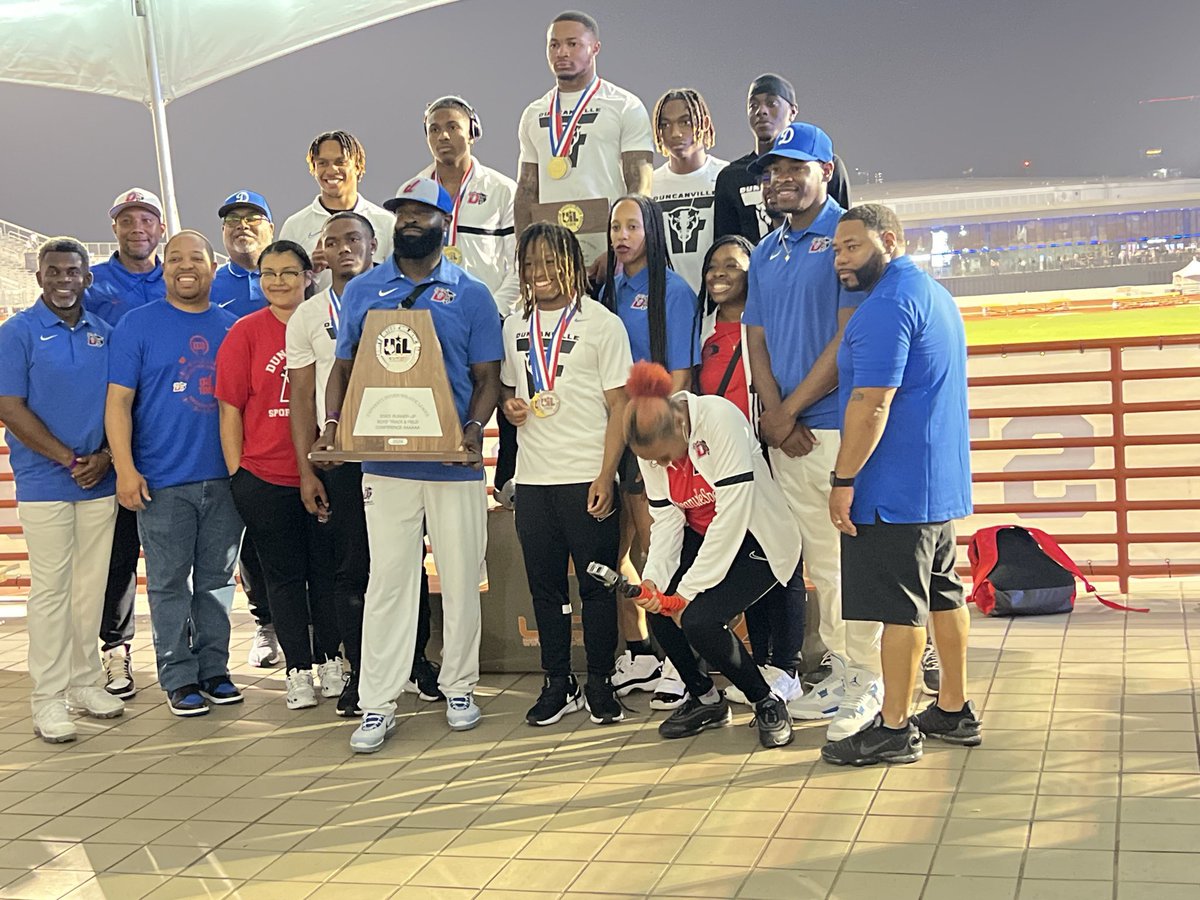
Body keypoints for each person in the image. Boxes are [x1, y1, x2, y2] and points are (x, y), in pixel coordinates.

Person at [314, 177, 502, 752]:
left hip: (452, 465)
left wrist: (472, 431)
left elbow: (488, 377)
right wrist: (330, 428)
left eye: (423, 212)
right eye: (403, 212)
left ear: (445, 221)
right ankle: (378, 701)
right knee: (389, 583)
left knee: (463, 578)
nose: (411, 220)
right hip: (386, 466)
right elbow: (343, 370)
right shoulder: (364, 289)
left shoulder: (471, 293)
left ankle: (460, 687)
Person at [822, 203, 980, 766]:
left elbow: (871, 403)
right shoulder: (935, 296)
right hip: (935, 483)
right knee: (942, 593)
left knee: (900, 609)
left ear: (888, 240)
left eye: (853, 246)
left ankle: (893, 727)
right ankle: (953, 708)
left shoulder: (885, 308)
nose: (841, 258)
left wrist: (843, 479)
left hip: (892, 487)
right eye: (837, 248)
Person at [743, 124, 883, 741]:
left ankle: (871, 681)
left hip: (830, 429)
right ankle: (843, 667)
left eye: (796, 168)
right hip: (787, 435)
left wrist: (792, 411)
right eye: (774, 171)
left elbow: (845, 340)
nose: (782, 180)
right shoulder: (769, 249)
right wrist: (774, 415)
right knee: (820, 565)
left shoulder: (845, 239)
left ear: (826, 168)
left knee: (850, 561)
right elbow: (757, 336)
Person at [288, 212, 443, 718]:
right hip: (345, 455)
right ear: (322, 253)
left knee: (404, 563)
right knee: (353, 567)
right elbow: (301, 398)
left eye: (354, 238)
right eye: (332, 242)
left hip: (401, 447)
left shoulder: (394, 295)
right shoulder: (308, 316)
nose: (344, 248)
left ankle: (418, 662)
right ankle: (361, 671)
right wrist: (309, 468)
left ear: (374, 244)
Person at [623, 361, 799, 749]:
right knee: (660, 612)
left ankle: (767, 702)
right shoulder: (651, 446)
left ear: (682, 427)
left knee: (700, 620)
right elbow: (666, 520)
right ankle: (706, 699)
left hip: (757, 539)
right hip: (704, 539)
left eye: (667, 457)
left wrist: (687, 591)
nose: (664, 465)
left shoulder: (719, 417)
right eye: (655, 462)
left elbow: (733, 514)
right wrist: (655, 579)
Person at [105, 231, 244, 717]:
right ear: (165, 268)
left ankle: (214, 668)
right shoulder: (136, 326)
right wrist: (125, 469)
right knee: (168, 583)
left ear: (213, 266)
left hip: (224, 481)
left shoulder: (233, 327)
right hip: (162, 482)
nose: (187, 267)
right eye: (176, 259)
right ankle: (178, 675)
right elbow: (118, 403)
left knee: (216, 581)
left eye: (197, 259)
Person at [501, 222, 631, 726]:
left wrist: (606, 476)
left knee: (597, 588)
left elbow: (619, 408)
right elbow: (515, 394)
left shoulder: (603, 324)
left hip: (586, 477)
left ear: (573, 264)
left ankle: (600, 680)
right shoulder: (514, 326)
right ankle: (558, 681)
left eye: (551, 262)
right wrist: (512, 408)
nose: (541, 273)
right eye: (530, 264)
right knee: (546, 590)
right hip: (535, 481)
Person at [0, 238, 125, 742]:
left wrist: (105, 459)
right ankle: (48, 698)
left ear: (86, 279)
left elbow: (122, 405)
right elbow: (9, 407)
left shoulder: (105, 333)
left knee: (90, 589)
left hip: (99, 479)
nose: (64, 280)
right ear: (40, 277)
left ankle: (85, 682)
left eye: (73, 272)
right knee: (52, 590)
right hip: (47, 481)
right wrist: (69, 459)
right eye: (54, 272)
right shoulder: (18, 332)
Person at [216, 240, 343, 710]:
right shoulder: (245, 333)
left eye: (289, 272)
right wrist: (238, 475)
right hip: (265, 477)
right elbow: (229, 408)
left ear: (309, 275)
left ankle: (331, 658)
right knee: (283, 578)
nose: (278, 281)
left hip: (326, 472)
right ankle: (298, 670)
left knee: (326, 573)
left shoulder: (328, 323)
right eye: (268, 273)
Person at [692, 236, 805, 707]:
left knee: (785, 555)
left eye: (732, 266)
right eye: (713, 265)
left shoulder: (769, 324)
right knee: (750, 560)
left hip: (770, 455)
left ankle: (789, 665)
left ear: (752, 273)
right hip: (724, 464)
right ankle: (762, 662)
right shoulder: (699, 331)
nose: (719, 273)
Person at [400, 96, 522, 507]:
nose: (443, 136)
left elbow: (518, 263)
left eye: (452, 126)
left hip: (493, 319)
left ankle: (507, 496)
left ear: (472, 128)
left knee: (504, 406)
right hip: (434, 326)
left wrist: (493, 312)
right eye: (434, 128)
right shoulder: (414, 193)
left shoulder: (503, 190)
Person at [602, 193, 699, 699]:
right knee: (615, 548)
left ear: (652, 232)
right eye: (615, 227)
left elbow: (680, 375)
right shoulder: (603, 290)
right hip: (606, 434)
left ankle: (679, 661)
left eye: (632, 227)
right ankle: (639, 652)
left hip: (649, 436)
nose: (621, 236)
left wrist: (654, 434)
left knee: (655, 543)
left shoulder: (674, 291)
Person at [83, 187, 167, 701]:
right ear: (114, 227)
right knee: (118, 554)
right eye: (127, 219)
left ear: (160, 228)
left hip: (169, 435)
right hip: (110, 433)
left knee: (176, 554)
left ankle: (187, 651)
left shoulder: (180, 277)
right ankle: (115, 651)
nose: (137, 227)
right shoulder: (93, 283)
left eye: (147, 219)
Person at [515, 10, 654, 269]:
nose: (562, 52)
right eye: (554, 45)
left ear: (595, 48)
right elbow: (526, 189)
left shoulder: (624, 105)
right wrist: (526, 252)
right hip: (552, 251)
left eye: (572, 44)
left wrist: (622, 250)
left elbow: (640, 182)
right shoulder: (534, 113)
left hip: (610, 246)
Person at [210, 189, 280, 668]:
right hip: (233, 425)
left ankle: (312, 624)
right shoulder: (212, 285)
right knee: (249, 540)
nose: (243, 227)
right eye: (233, 220)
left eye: (253, 218)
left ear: (271, 228)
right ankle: (266, 625)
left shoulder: (291, 278)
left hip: (285, 425)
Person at [713, 75, 851, 245]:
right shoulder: (731, 176)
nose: (761, 111)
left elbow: (846, 228)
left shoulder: (821, 165)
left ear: (793, 111)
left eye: (771, 103)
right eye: (753, 105)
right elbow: (725, 245)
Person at [278, 130, 395, 292]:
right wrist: (308, 270)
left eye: (341, 162)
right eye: (322, 163)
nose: (331, 170)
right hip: (317, 316)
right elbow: (281, 286)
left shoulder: (386, 223)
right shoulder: (295, 225)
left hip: (373, 315)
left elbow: (398, 283)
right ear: (313, 169)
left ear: (358, 166)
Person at [650, 88, 727, 294]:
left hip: (720, 301)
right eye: (665, 125)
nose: (675, 133)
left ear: (705, 124)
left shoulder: (726, 176)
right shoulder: (649, 185)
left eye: (686, 122)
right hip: (669, 302)